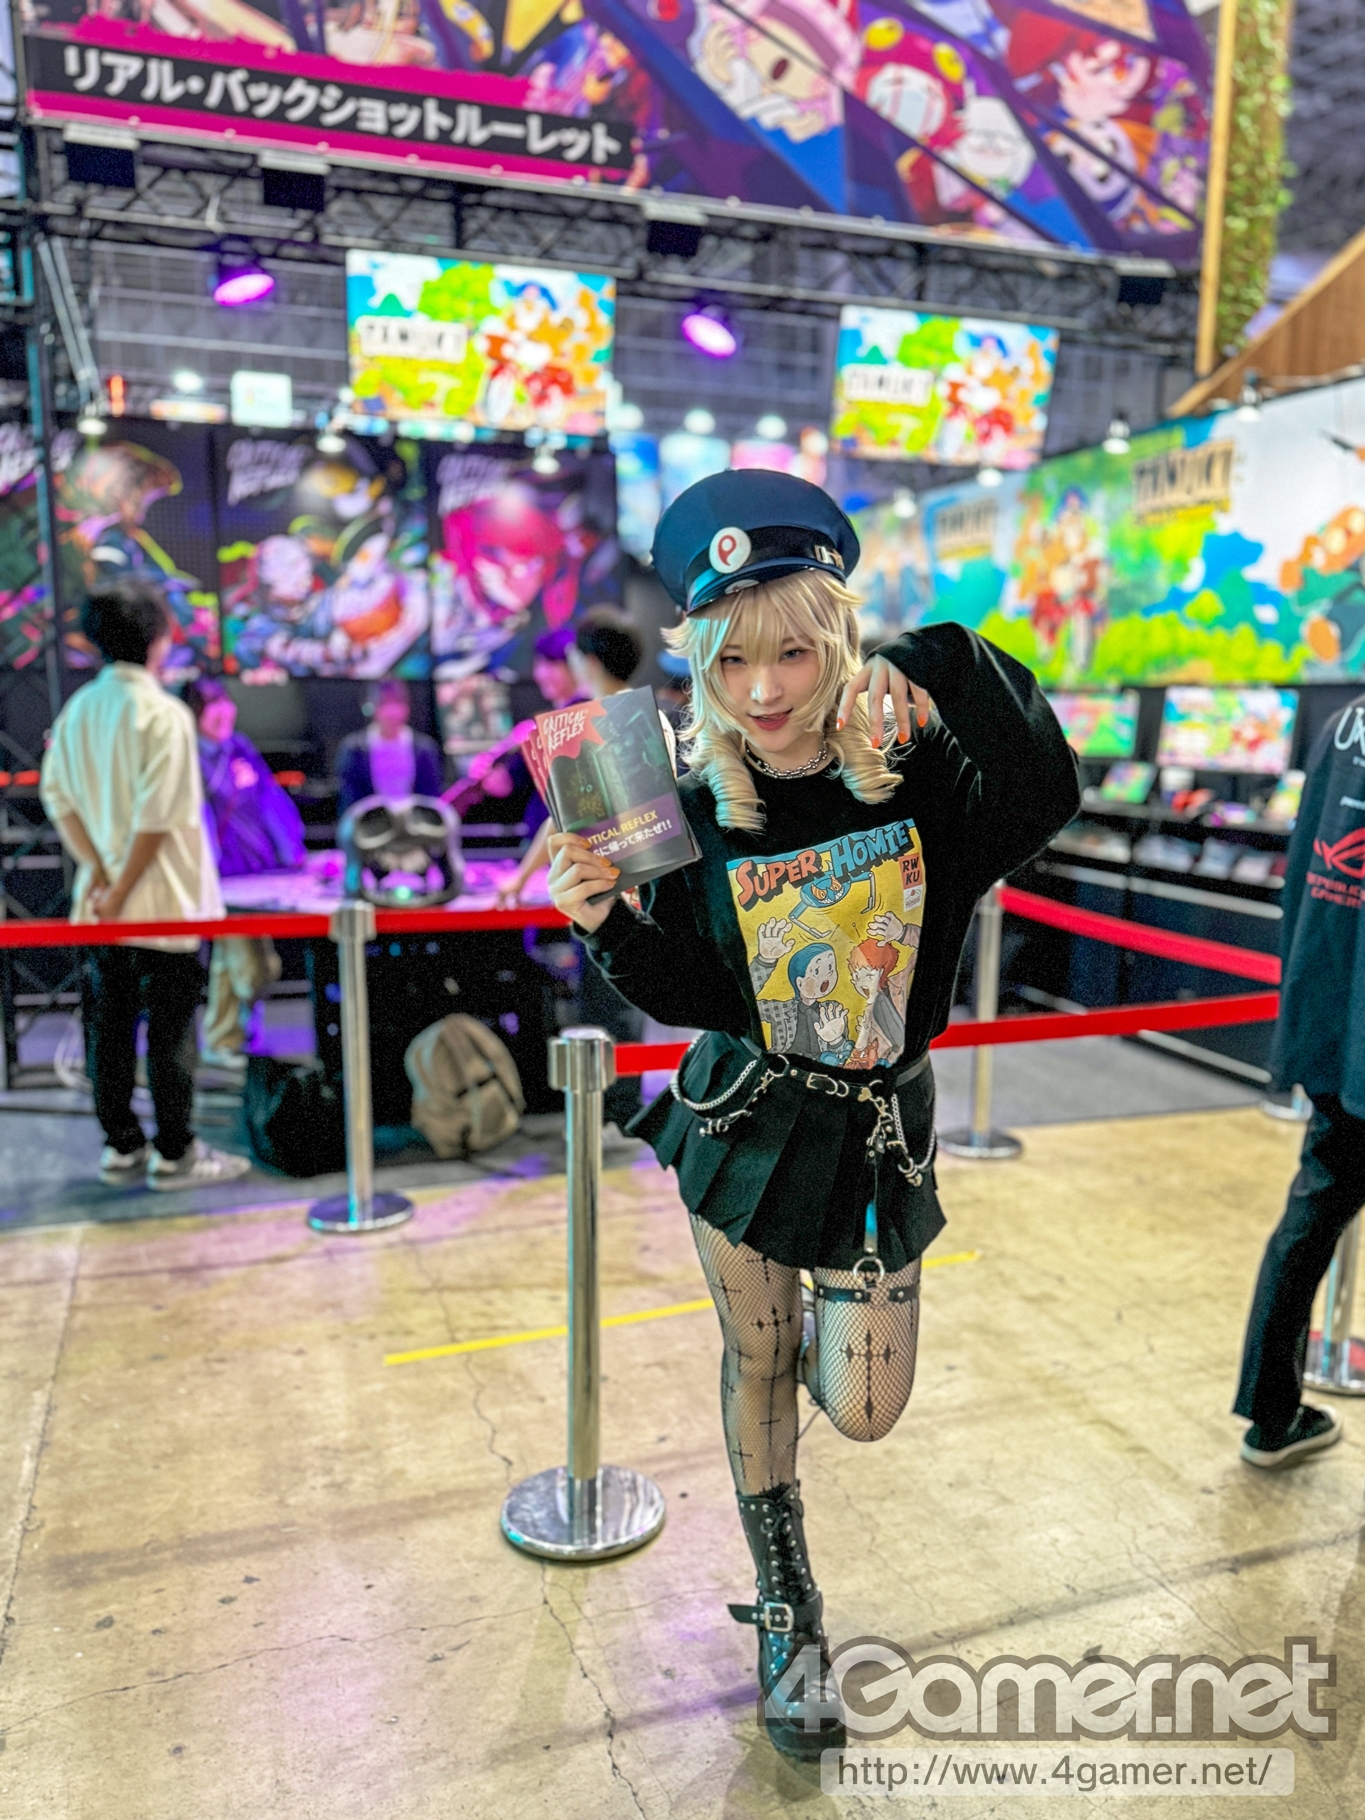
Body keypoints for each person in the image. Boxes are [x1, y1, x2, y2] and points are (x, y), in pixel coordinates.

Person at [545, 472, 1078, 1759]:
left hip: (879, 1130)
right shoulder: (685, 797)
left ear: (840, 635)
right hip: (747, 1119)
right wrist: (605, 921)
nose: (764, 689)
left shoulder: (919, 775)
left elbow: (1046, 788)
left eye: (792, 650)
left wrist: (933, 662)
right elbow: (696, 988)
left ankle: (788, 1550)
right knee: (760, 1356)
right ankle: (789, 1606)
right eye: (731, 659)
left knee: (866, 1401)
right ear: (698, 659)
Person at [40, 581, 251, 1189]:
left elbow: (57, 797)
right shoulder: (163, 714)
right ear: (160, 638)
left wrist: (102, 875)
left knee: (108, 1029)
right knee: (170, 1030)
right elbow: (158, 819)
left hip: (101, 907)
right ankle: (176, 1153)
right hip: (165, 904)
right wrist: (123, 885)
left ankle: (122, 1146)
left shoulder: (78, 710)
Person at [1233, 691, 1365, 1468]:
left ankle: (1270, 1415)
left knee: (1308, 1219)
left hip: (1333, 1024)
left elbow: (1305, 878)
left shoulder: (1344, 724)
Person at [501, 610, 648, 1142]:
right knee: (636, 995)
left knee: (606, 998)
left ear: (588, 662)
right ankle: (626, 1110)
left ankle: (611, 1114)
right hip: (649, 882)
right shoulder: (649, 716)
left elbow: (560, 815)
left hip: (601, 885)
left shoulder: (584, 723)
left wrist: (520, 879)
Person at [184, 677, 308, 1070]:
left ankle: (227, 1036)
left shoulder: (240, 747)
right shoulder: (188, 757)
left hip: (258, 873)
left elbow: (270, 798)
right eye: (211, 705)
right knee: (252, 968)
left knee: (241, 962)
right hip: (222, 878)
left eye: (225, 702)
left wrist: (292, 847)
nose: (222, 712)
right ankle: (232, 1033)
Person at [334, 678, 444, 814]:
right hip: (370, 819)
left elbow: (431, 798)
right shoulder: (354, 749)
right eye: (385, 703)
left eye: (398, 703)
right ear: (372, 707)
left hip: (416, 819)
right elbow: (350, 801)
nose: (392, 711)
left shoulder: (424, 748)